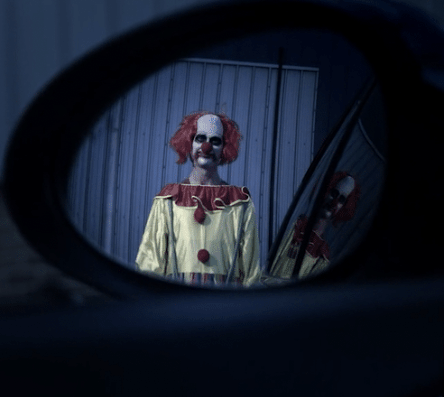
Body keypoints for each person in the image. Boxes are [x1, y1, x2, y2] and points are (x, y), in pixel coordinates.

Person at [135, 111, 260, 286]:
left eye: (215, 141)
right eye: (200, 139)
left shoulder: (240, 203)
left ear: (224, 148)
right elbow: (150, 263)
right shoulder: (168, 200)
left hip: (226, 300)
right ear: (189, 143)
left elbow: (251, 271)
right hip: (178, 300)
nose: (206, 146)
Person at [267, 171, 360, 281]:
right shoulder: (296, 227)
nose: (334, 202)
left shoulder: (323, 255)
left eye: (341, 199)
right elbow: (271, 264)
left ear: (344, 207)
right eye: (334, 193)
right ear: (325, 192)